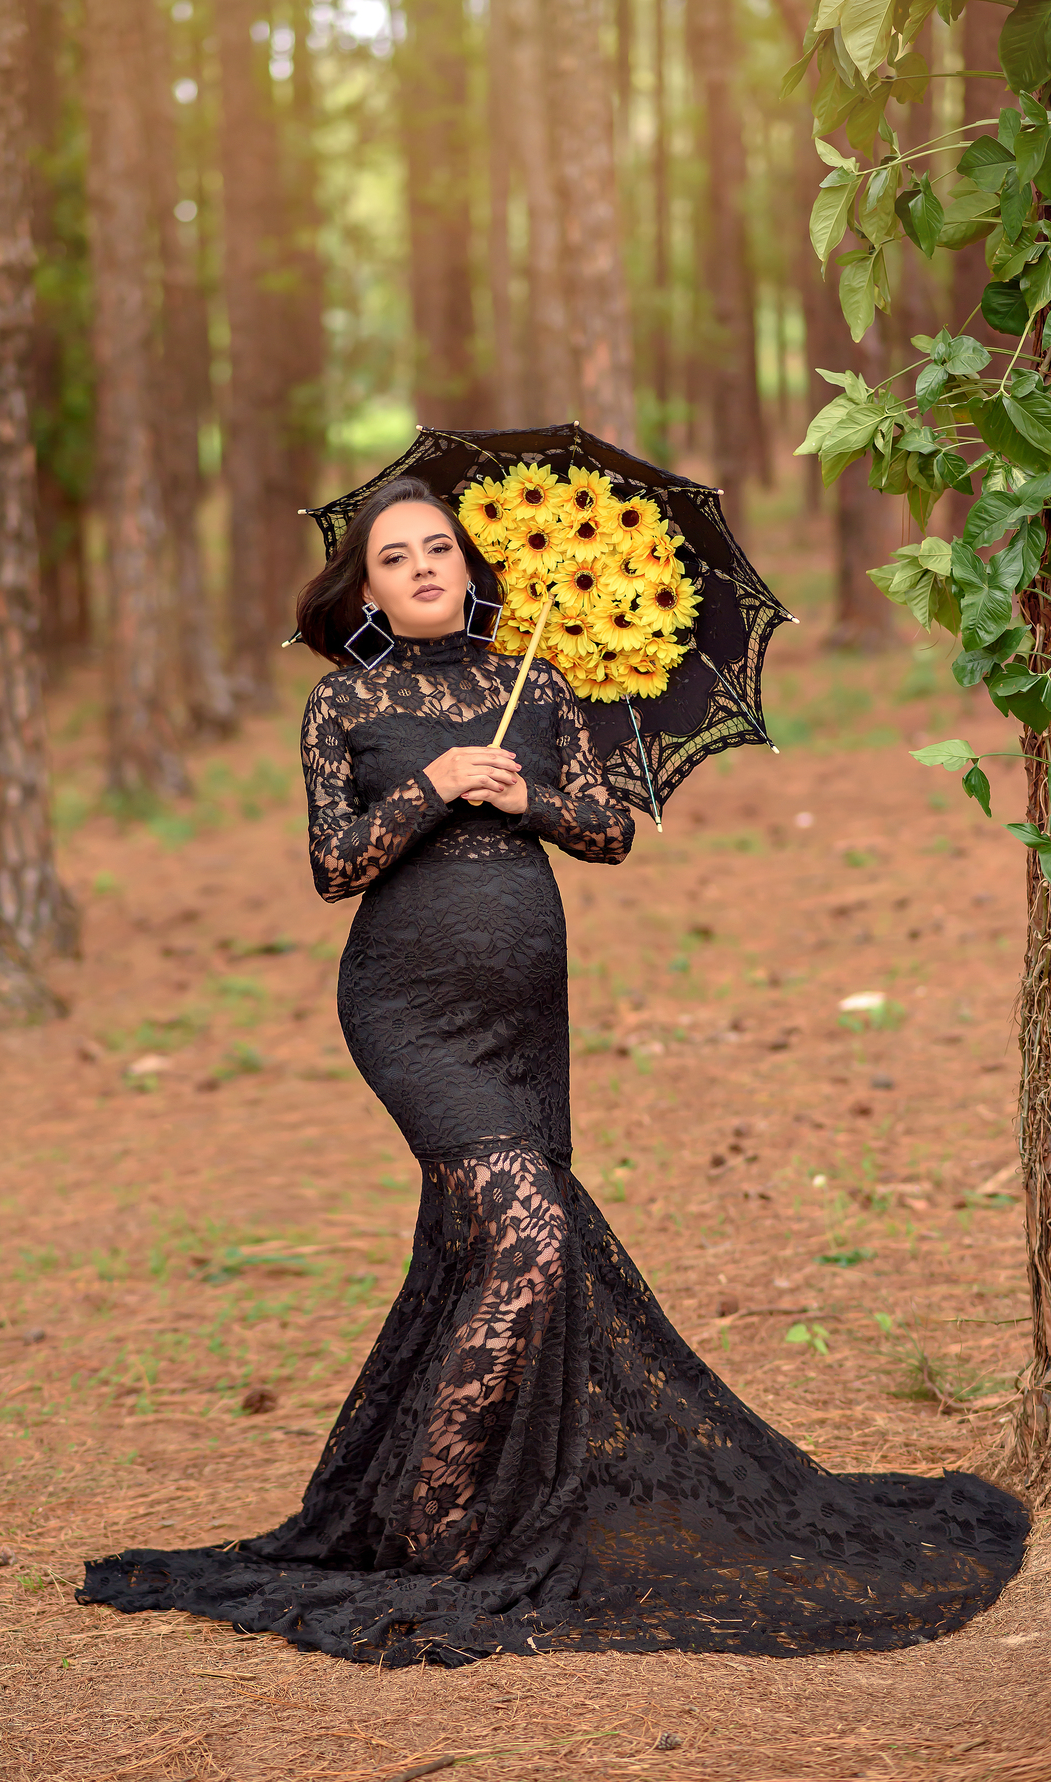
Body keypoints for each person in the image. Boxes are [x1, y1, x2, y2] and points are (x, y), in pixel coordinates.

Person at [78, 476, 1028, 1668]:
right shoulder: (344, 702)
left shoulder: (538, 685)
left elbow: (610, 829)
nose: (424, 568)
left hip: (526, 1017)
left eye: (438, 548)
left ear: (470, 568)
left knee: (487, 1250)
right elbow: (333, 864)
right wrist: (433, 786)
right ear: (364, 591)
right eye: (395, 558)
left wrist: (525, 793)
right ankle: (433, 1525)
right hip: (407, 1011)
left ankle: (453, 1498)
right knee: (529, 1240)